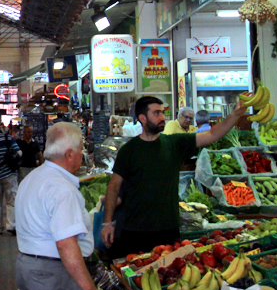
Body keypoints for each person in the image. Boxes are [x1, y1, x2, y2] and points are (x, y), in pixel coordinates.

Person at [100, 97, 246, 259]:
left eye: (163, 113)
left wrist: (236, 115)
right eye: (156, 113)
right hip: (134, 229)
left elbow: (212, 134)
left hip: (168, 228)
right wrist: (107, 223)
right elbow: (113, 187)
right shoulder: (128, 150)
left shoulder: (174, 143)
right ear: (142, 118)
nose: (163, 117)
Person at [15, 122, 105, 290]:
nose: (82, 155)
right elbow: (66, 245)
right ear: (69, 154)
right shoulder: (62, 189)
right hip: (54, 276)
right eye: (80, 150)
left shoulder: (34, 178)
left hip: (29, 268)